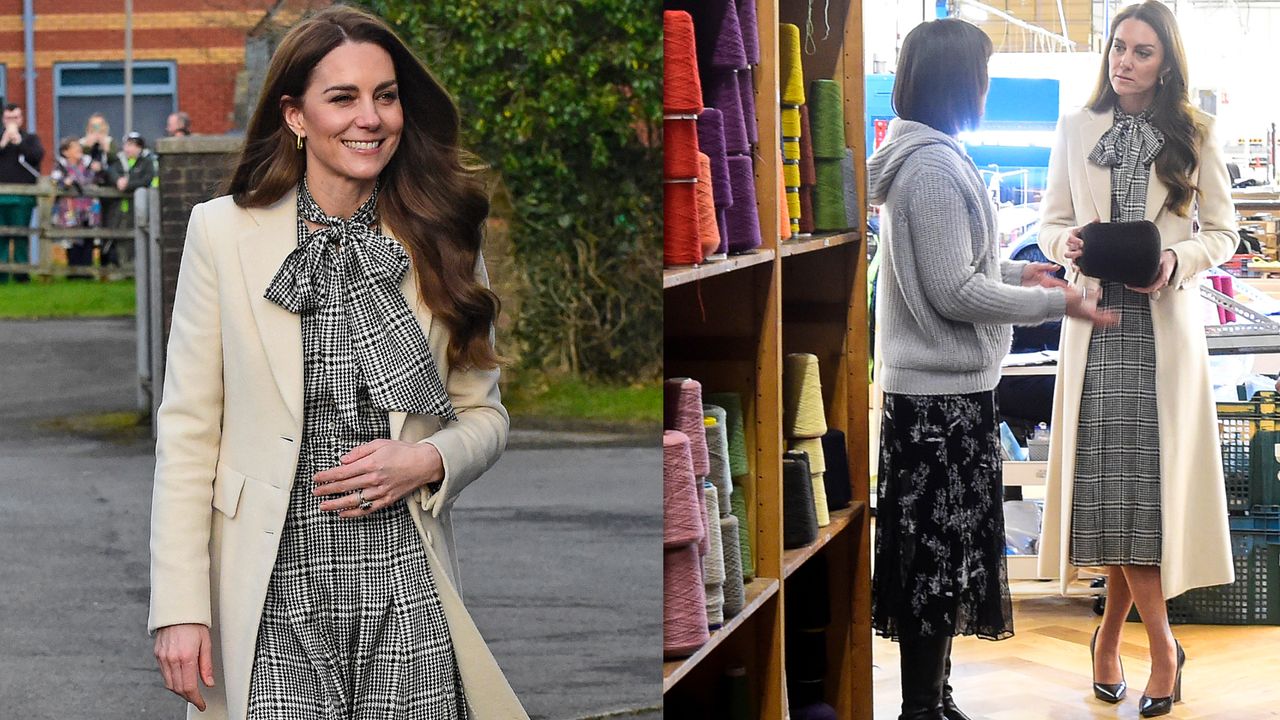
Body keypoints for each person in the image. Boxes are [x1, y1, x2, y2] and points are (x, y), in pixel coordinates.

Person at [147, 6, 526, 719]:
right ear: (295, 115)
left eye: (385, 96)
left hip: (403, 581)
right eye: (343, 97)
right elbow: (188, 432)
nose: (371, 118)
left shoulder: (442, 233)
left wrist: (429, 460)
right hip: (270, 588)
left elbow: (486, 415)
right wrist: (178, 606)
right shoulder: (221, 233)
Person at [867, 18, 1116, 720]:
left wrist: (1021, 273)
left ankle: (934, 700)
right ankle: (922, 708)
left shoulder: (925, 156)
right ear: (959, 82)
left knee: (940, 560)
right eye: (980, 73)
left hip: (943, 398)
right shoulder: (935, 169)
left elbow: (962, 269)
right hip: (939, 404)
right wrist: (1057, 301)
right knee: (934, 564)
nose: (985, 85)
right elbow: (956, 293)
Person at [1035, 2, 1237, 716]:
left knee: (1138, 500)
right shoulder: (1074, 129)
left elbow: (1222, 230)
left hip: (1161, 331)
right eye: (1118, 47)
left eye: (1142, 51)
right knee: (1115, 495)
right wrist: (1067, 246)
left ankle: (1129, 645)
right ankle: (1156, 651)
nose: (1124, 61)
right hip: (1098, 326)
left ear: (1167, 61)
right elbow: (1049, 219)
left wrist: (1176, 261)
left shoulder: (1194, 133)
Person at [0, 103, 43, 282]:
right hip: (1, 197)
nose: (12, 122)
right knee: (1, 237)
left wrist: (20, 143)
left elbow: (37, 157)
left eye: (15, 118)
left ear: (21, 119)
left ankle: (21, 274)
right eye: (9, 118)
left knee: (20, 236)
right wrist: (3, 143)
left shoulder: (30, 139)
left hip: (22, 198)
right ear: (3, 119)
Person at [50, 136, 103, 273]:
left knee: (88, 238)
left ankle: (87, 271)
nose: (78, 150)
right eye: (74, 148)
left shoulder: (88, 163)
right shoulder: (60, 166)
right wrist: (65, 182)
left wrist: (98, 170)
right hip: (70, 209)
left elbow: (98, 179)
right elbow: (55, 181)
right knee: (72, 239)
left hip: (89, 208)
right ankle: (73, 271)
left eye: (79, 147)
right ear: (65, 151)